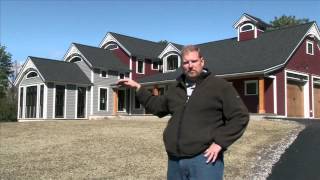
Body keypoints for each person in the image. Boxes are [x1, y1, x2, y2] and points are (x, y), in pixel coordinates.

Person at [117, 45, 249, 180]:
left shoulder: (220, 86)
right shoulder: (176, 88)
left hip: (204, 159)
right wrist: (138, 87)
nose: (190, 65)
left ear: (202, 61)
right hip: (175, 160)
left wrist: (220, 143)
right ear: (182, 65)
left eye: (194, 61)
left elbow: (240, 117)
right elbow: (157, 107)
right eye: (186, 62)